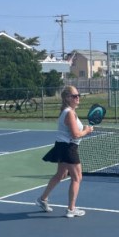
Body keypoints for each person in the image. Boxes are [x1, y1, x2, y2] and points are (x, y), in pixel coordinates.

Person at [36, 86, 94, 217]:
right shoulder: (69, 113)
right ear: (67, 98)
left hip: (62, 146)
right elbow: (75, 135)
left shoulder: (68, 111)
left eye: (78, 95)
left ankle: (42, 199)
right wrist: (87, 130)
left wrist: (84, 130)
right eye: (74, 96)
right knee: (77, 178)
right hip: (68, 148)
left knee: (60, 175)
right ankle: (71, 209)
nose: (78, 97)